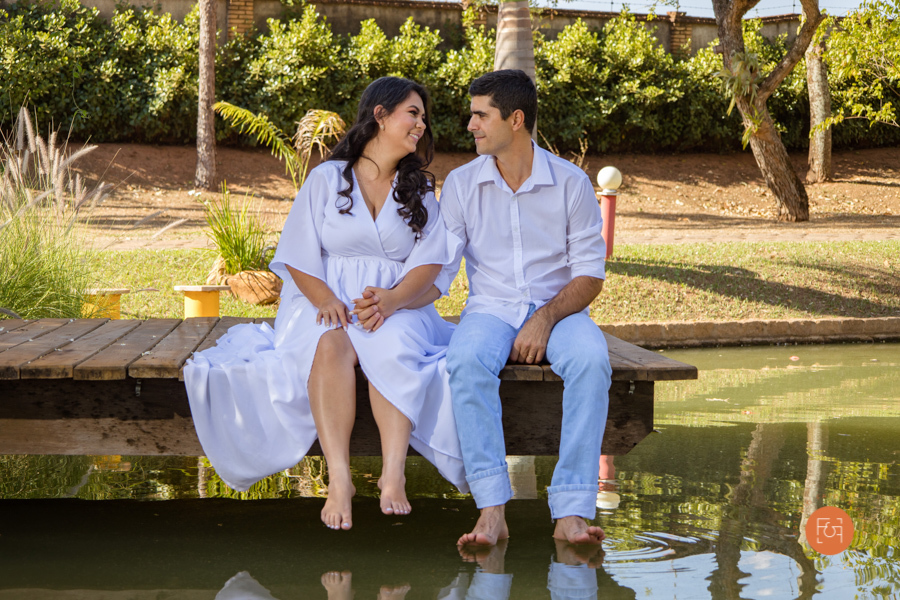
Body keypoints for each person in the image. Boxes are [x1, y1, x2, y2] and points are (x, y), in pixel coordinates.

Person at [184, 76, 467, 532]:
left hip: (396, 303)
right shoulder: (327, 178)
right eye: (412, 113)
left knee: (390, 344)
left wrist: (392, 301)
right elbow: (297, 252)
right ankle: (340, 479)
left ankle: (393, 473)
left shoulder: (419, 191)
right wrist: (327, 300)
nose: (421, 124)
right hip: (321, 297)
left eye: (422, 117)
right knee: (330, 345)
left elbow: (431, 264)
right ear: (380, 114)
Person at [440, 69, 612, 546]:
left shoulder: (571, 184)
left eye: (480, 115)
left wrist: (544, 318)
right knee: (465, 361)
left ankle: (572, 512)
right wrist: (392, 301)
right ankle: (492, 510)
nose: (471, 125)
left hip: (561, 311)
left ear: (515, 119)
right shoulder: (460, 185)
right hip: (490, 309)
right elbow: (438, 268)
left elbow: (589, 276)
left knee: (592, 361)